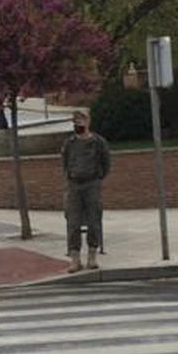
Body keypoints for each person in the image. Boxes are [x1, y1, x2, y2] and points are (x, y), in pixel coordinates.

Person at [60, 111, 111, 273]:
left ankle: (92, 256)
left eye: (81, 120)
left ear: (88, 121)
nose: (78, 124)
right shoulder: (69, 143)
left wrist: (98, 177)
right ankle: (75, 259)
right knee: (73, 222)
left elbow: (106, 162)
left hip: (92, 184)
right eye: (75, 121)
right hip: (74, 185)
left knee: (93, 220)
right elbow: (65, 162)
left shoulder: (98, 142)